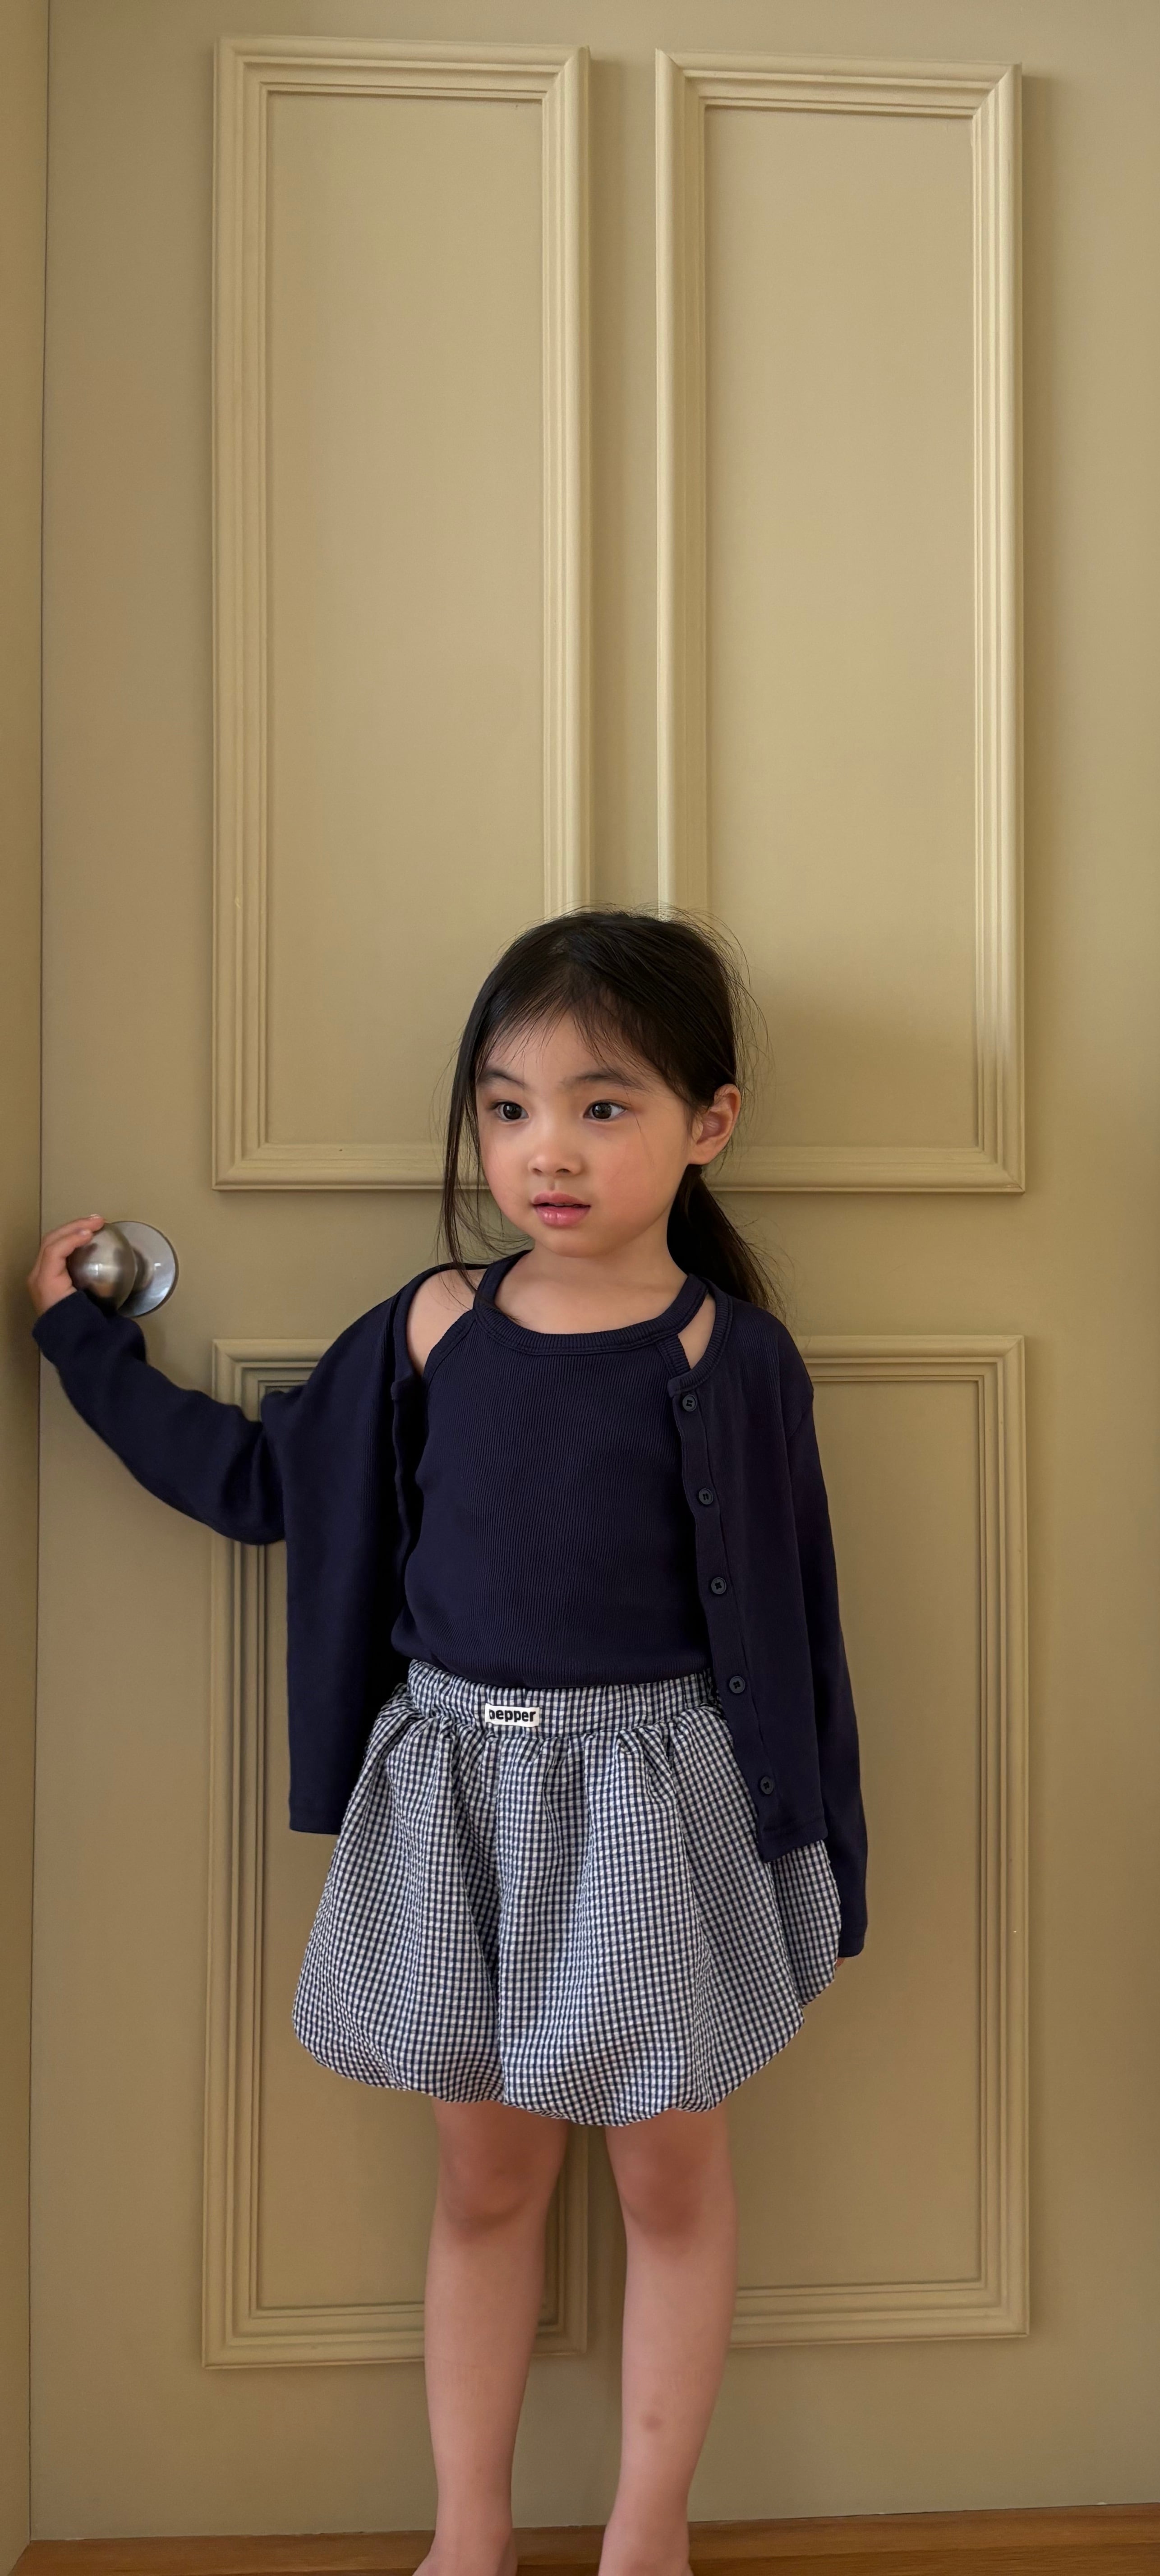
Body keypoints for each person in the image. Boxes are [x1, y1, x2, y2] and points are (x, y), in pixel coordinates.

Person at [26, 906, 867, 2576]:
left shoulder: (736, 1361)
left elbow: (800, 1627)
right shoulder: (425, 1331)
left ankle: (647, 2531)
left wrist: (819, 1845)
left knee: (670, 2186)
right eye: (507, 1107)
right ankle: (466, 2531)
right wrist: (85, 1347)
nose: (546, 1150)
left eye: (602, 1106)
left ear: (708, 1124)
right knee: (485, 2187)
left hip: (655, 1811)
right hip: (456, 1802)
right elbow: (262, 1485)